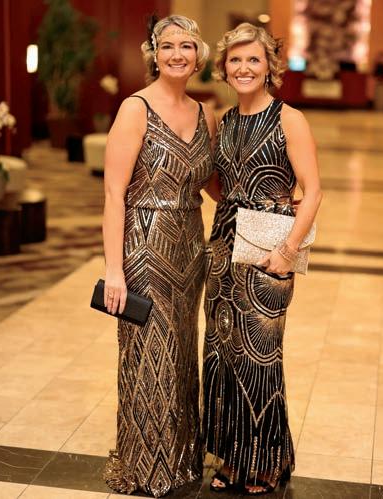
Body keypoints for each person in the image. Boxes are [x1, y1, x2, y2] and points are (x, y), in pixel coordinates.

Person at [202, 23, 322, 495]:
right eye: (235, 59)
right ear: (224, 68)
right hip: (223, 248)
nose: (244, 68)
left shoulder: (289, 119)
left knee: (260, 358)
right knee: (221, 353)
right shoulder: (225, 120)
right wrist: (235, 207)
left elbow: (313, 192)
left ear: (270, 66)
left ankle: (266, 462)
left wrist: (287, 250)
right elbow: (216, 184)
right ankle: (233, 458)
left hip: (272, 254)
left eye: (253, 59)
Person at [102, 15, 217, 497]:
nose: (177, 54)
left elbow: (213, 185)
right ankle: (145, 464)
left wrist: (269, 199)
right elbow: (114, 194)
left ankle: (181, 457)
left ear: (198, 55)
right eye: (167, 45)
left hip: (190, 246)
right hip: (144, 246)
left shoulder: (206, 113)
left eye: (186, 46)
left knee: (182, 351)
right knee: (149, 353)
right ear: (154, 52)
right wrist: (114, 270)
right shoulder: (135, 108)